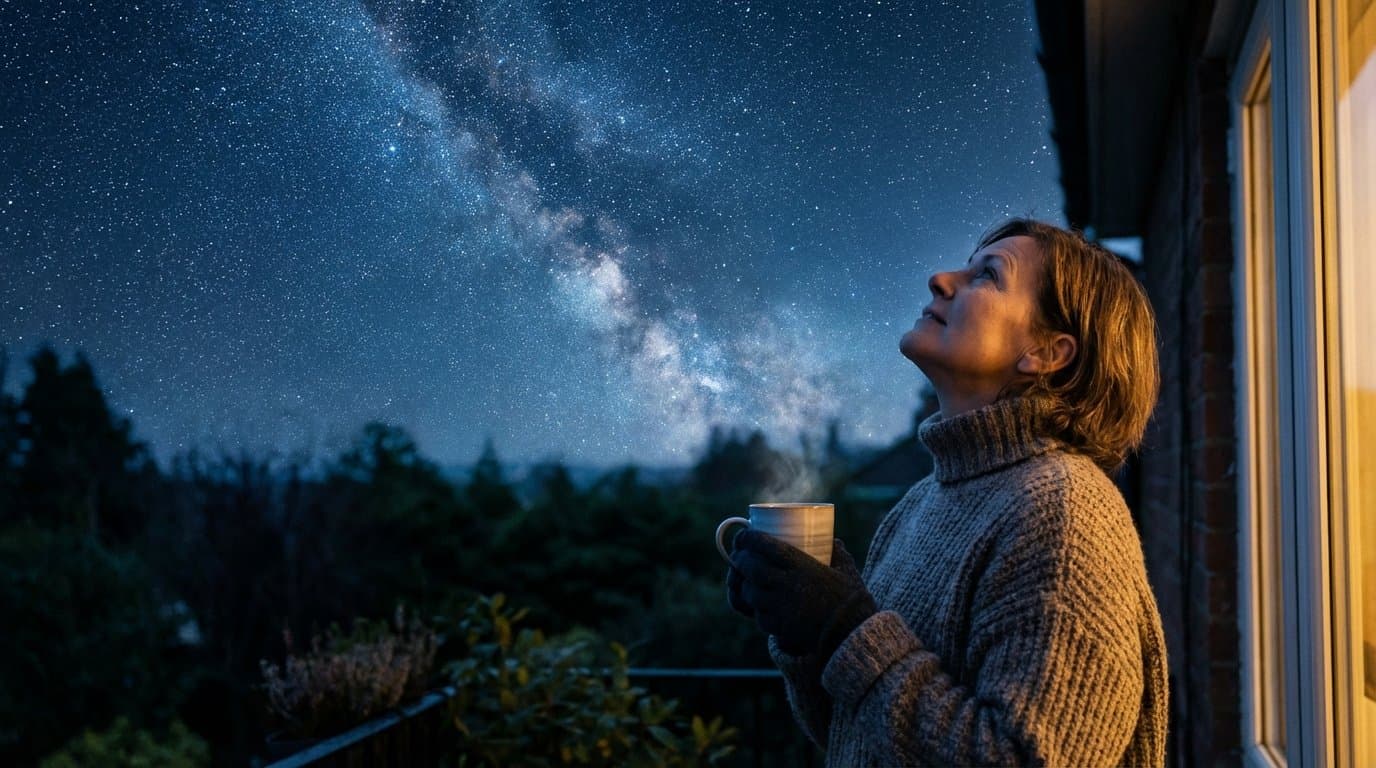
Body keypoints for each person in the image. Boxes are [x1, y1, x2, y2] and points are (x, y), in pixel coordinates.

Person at [727, 219, 1168, 766]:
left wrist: (847, 629)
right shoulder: (920, 502)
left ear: (1047, 353)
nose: (940, 279)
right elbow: (852, 735)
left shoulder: (1064, 512)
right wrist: (804, 631)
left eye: (987, 275)